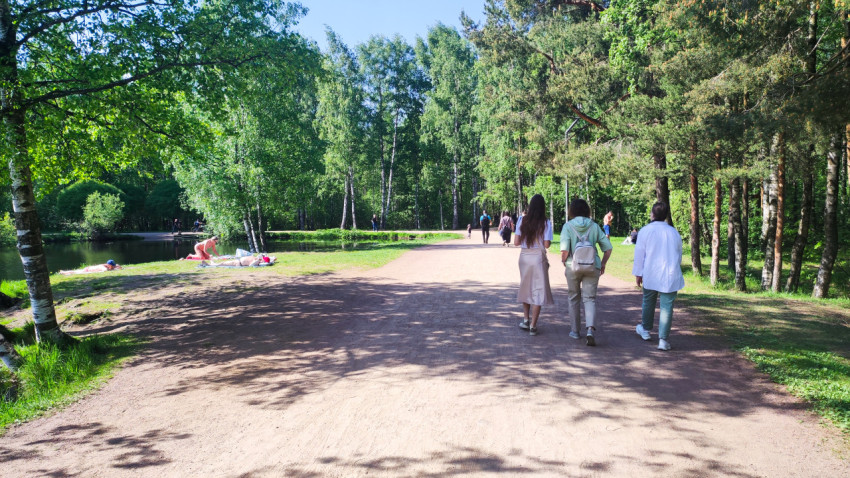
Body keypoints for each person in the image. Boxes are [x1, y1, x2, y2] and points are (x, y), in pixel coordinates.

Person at [633, 202, 685, 351]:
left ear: (652, 214)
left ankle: (645, 329)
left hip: (651, 272)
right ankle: (663, 339)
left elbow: (639, 254)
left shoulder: (645, 231)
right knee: (667, 306)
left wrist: (638, 273)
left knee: (648, 301)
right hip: (670, 273)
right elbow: (678, 253)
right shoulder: (673, 232)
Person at [560, 199, 613, 346]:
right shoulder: (594, 226)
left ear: (572, 211)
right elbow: (608, 248)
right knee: (589, 298)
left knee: (573, 297)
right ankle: (590, 329)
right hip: (592, 265)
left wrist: (564, 261)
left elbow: (564, 250)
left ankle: (575, 331)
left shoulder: (567, 226)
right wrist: (602, 264)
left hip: (573, 266)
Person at [515, 195, 554, 336]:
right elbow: (547, 244)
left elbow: (516, 242)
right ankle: (533, 325)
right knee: (538, 289)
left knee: (525, 286)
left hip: (524, 257)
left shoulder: (522, 220)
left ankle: (525, 319)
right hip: (538, 257)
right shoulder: (545, 222)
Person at [205, 254, 276, 267]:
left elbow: (251, 265)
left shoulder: (257, 262)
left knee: (222, 264)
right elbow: (271, 259)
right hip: (238, 261)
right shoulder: (258, 259)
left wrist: (258, 260)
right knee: (223, 263)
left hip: (238, 263)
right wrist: (273, 259)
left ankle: (209, 264)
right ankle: (212, 263)